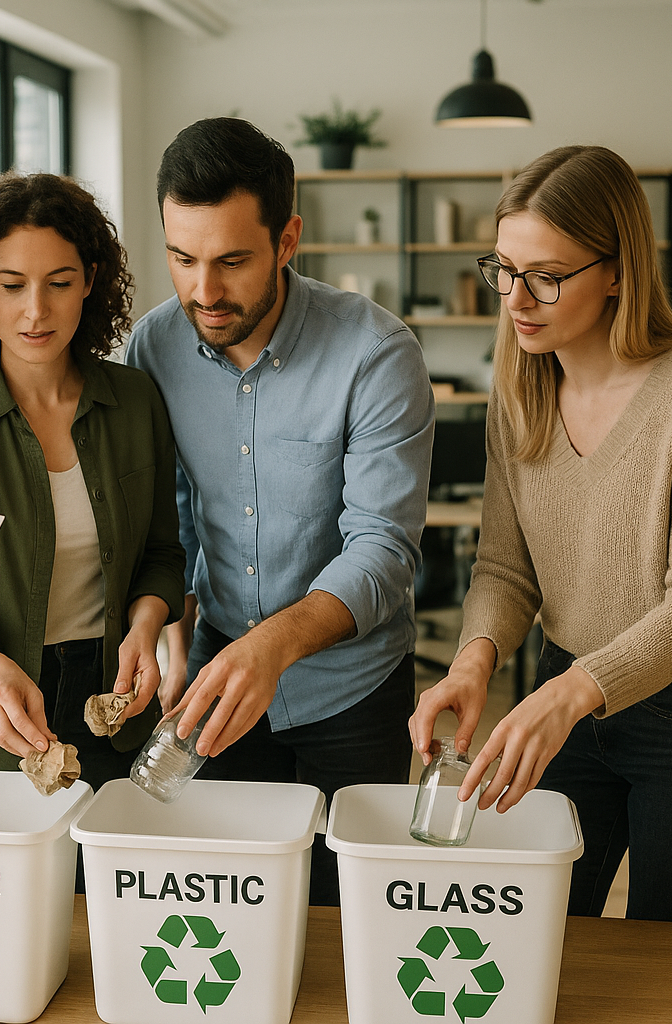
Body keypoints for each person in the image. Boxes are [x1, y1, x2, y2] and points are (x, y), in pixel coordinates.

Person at [126, 118, 434, 905]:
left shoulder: (375, 353)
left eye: (231, 261)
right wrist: (172, 628)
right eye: (182, 258)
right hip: (220, 679)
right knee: (239, 902)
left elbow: (383, 550)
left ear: (288, 238)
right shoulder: (154, 347)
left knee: (342, 916)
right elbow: (176, 515)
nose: (203, 291)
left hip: (354, 690)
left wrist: (271, 648)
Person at [408, 145, 672, 922]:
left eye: (545, 275)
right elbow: (504, 567)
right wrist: (475, 660)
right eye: (502, 268)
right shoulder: (522, 389)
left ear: (618, 272)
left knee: (666, 952)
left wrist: (569, 694)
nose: (515, 298)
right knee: (540, 931)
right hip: (563, 692)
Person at [0, 172, 185, 790]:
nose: (37, 310)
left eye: (59, 283)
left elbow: (163, 553)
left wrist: (144, 627)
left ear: (89, 281)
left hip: (115, 708)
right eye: (12, 285)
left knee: (98, 884)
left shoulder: (136, 402)